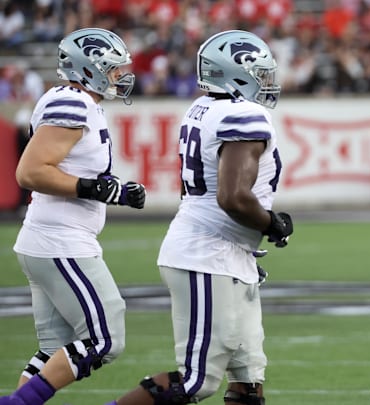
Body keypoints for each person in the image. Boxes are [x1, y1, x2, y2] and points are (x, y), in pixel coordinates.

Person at [103, 29, 292, 405]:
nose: (268, 82)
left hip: (225, 253)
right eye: (260, 73)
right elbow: (233, 197)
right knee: (197, 381)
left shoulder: (203, 107)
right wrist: (272, 224)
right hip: (209, 255)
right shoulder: (243, 114)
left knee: (248, 382)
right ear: (236, 74)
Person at [1, 28, 145, 405]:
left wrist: (115, 190)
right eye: (113, 69)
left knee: (55, 352)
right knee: (105, 338)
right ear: (89, 68)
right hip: (59, 240)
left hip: (48, 238)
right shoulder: (73, 103)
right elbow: (29, 172)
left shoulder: (77, 101)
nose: (120, 76)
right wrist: (95, 189)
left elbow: (74, 170)